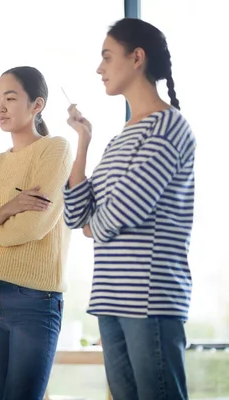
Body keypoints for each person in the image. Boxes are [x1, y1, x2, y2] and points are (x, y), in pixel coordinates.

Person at [63, 18, 196, 400]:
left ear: (136, 57)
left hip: (150, 296)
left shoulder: (168, 126)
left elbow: (127, 208)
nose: (99, 68)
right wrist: (84, 142)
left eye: (107, 57)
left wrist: (95, 224)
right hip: (111, 295)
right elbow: (76, 216)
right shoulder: (121, 138)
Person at [0, 66, 72, 400]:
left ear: (37, 105)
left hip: (36, 299)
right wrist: (7, 210)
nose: (0, 107)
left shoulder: (55, 149)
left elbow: (34, 225)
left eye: (10, 98)